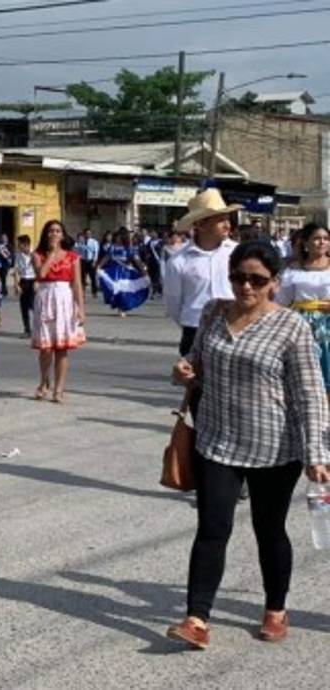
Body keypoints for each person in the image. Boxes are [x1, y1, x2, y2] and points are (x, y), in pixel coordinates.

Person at [167, 241, 330, 650]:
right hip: (217, 441)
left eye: (256, 279)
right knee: (211, 529)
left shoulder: (291, 326)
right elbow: (197, 360)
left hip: (275, 447)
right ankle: (196, 618)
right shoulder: (213, 312)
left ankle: (275, 608)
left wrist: (316, 453)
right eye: (238, 276)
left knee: (269, 530)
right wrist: (186, 370)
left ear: (275, 283)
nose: (245, 286)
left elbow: (310, 392)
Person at [164, 189, 240, 357]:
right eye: (220, 220)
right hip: (195, 329)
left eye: (227, 220)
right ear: (201, 224)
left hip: (233, 327)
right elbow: (173, 303)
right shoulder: (179, 261)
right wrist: (193, 320)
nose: (227, 225)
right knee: (195, 380)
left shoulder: (237, 253)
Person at [31, 220, 85, 404]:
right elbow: (41, 275)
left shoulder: (72, 257)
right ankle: (43, 382)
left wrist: (81, 309)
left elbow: (77, 284)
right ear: (46, 234)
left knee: (62, 349)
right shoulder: (38, 255)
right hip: (46, 298)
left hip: (65, 300)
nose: (54, 234)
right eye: (51, 231)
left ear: (63, 235)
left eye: (58, 231)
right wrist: (52, 255)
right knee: (46, 348)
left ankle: (59, 388)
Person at [275, 222, 330, 389]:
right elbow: (281, 301)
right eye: (317, 239)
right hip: (300, 325)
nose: (322, 242)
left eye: (326, 239)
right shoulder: (293, 270)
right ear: (305, 243)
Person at [96, 227, 151, 317]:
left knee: (124, 292)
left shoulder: (129, 249)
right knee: (115, 290)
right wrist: (99, 267)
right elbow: (106, 258)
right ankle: (118, 306)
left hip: (126, 273)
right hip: (113, 272)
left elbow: (138, 261)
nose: (117, 238)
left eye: (119, 237)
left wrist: (145, 273)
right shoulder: (112, 248)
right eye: (117, 236)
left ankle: (122, 308)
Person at [15, 234, 37, 336]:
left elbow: (39, 270)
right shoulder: (18, 255)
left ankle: (39, 327)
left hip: (33, 281)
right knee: (23, 306)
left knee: (33, 305)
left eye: (20, 244)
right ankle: (27, 329)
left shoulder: (35, 254)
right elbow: (17, 270)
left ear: (26, 244)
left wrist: (37, 282)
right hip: (23, 281)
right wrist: (16, 284)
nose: (18, 246)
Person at [76, 229, 100, 297]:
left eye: (89, 233)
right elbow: (78, 251)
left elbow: (96, 252)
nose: (87, 235)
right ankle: (82, 292)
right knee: (82, 277)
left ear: (91, 234)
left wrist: (94, 261)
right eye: (86, 233)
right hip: (83, 261)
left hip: (90, 261)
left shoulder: (94, 242)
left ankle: (94, 292)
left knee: (93, 277)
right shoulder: (81, 242)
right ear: (84, 234)